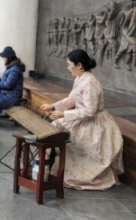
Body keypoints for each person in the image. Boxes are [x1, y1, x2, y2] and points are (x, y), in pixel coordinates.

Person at [40, 49, 124, 190]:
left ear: (79, 65)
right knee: (54, 127)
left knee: (62, 132)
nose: (68, 68)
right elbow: (71, 99)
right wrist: (53, 106)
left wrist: (64, 114)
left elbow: (90, 111)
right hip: (81, 117)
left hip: (94, 123)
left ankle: (50, 169)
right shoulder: (80, 78)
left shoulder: (90, 83)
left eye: (69, 64)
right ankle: (44, 168)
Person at [0, 46, 25, 126]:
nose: (3, 59)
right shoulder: (11, 67)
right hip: (6, 94)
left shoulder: (15, 69)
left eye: (4, 57)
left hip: (11, 97)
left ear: (9, 58)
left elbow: (8, 85)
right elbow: (4, 80)